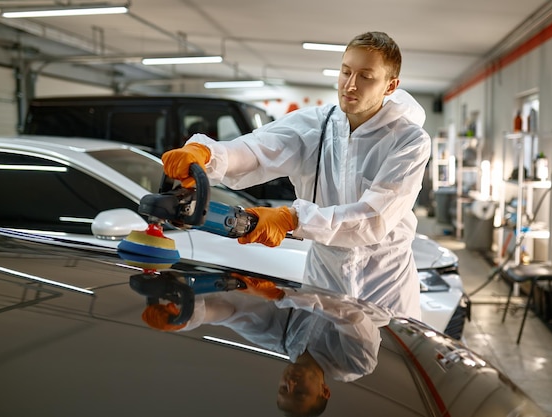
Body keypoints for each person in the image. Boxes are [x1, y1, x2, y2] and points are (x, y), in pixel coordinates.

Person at [161, 31, 431, 320]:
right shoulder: (319, 125)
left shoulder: (409, 141)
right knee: (316, 356)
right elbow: (258, 149)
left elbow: (374, 218)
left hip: (385, 287)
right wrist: (207, 155)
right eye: (346, 72)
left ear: (390, 86)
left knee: (387, 364)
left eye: (366, 76)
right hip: (325, 280)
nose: (350, 85)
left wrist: (292, 218)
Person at [142, 275, 388, 416]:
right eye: (300, 392)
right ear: (325, 391)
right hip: (375, 272)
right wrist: (281, 296)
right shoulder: (355, 364)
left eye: (283, 389)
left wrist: (184, 318)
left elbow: (230, 311)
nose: (290, 383)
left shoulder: (278, 339)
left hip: (327, 254)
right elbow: (352, 316)